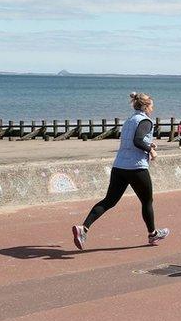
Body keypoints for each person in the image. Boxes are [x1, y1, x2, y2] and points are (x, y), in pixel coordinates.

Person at [72, 92, 170, 250]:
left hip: (119, 167)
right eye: (152, 105)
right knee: (147, 201)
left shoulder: (130, 120)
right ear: (145, 107)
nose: (153, 108)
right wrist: (150, 150)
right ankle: (153, 234)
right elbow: (137, 141)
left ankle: (83, 228)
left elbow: (133, 141)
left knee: (109, 201)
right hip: (136, 167)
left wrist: (149, 145)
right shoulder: (145, 121)